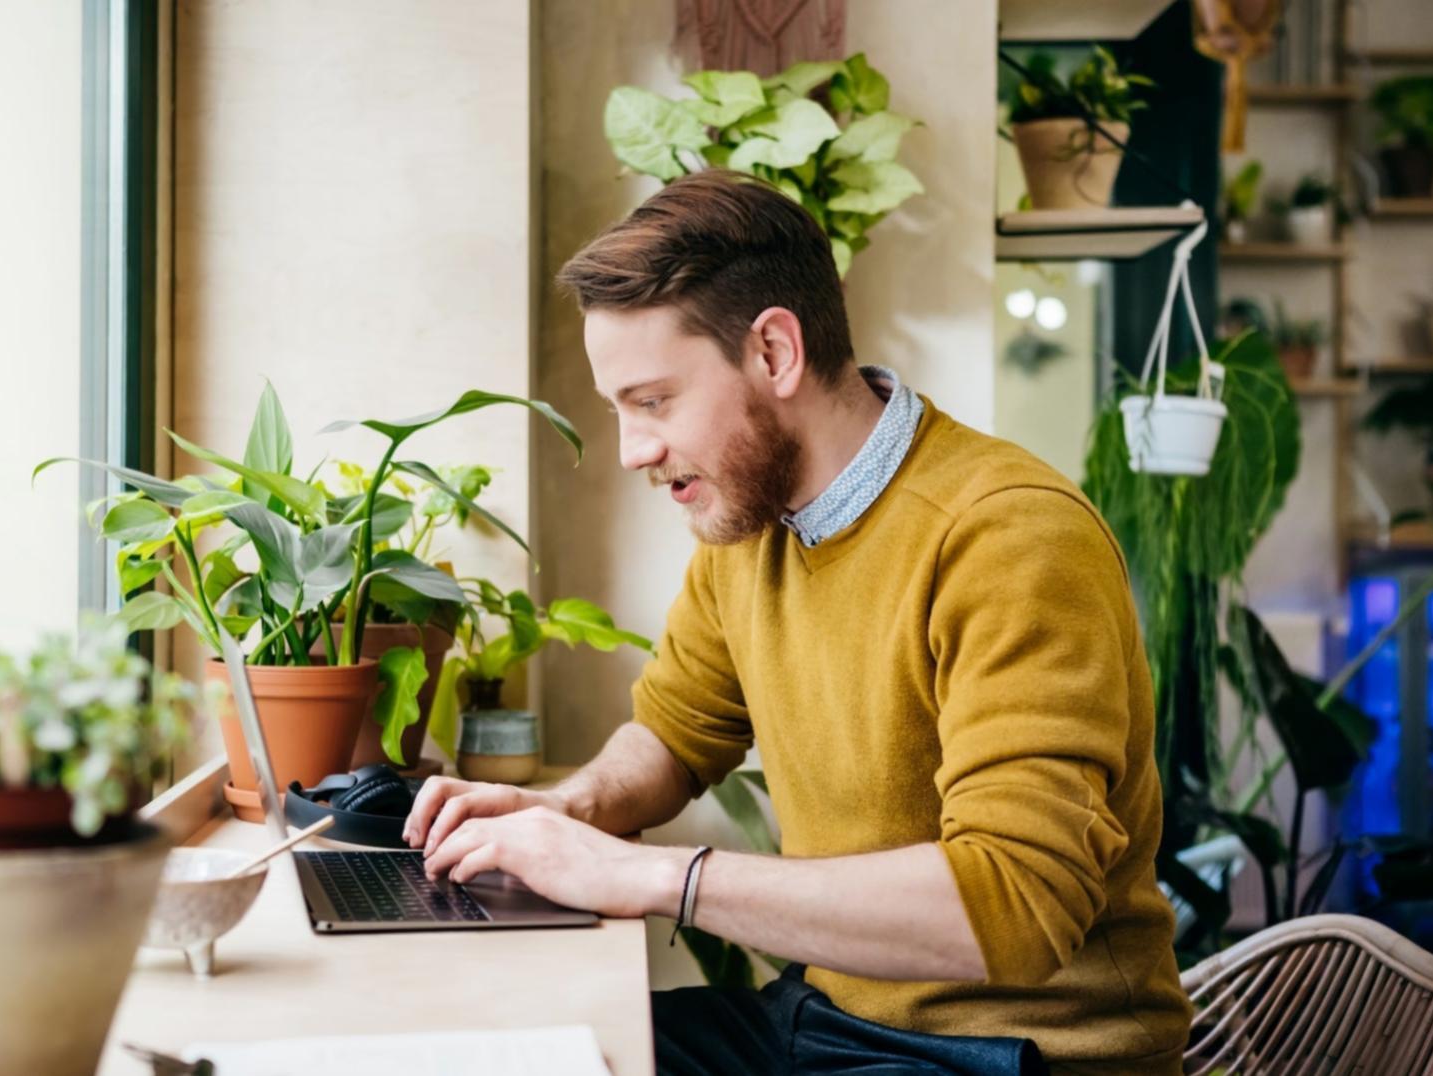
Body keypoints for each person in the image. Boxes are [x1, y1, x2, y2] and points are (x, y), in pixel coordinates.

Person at [403, 169, 1190, 1074]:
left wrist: (651, 876)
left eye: (653, 401)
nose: (632, 452)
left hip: (1018, 1055)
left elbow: (1014, 904)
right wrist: (558, 812)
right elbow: (673, 735)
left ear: (775, 352)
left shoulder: (1009, 536)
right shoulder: (750, 522)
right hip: (828, 1023)